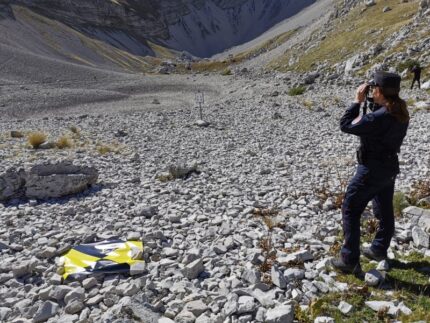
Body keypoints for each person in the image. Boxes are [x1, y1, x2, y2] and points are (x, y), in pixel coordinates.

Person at [331, 71, 410, 274]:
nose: (371, 89)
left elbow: (346, 125)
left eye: (374, 87)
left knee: (350, 207)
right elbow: (377, 123)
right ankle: (378, 249)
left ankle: (349, 260)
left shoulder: (378, 117)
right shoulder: (399, 110)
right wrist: (372, 103)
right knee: (384, 210)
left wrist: (357, 102)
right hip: (389, 169)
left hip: (371, 170)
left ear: (380, 91)